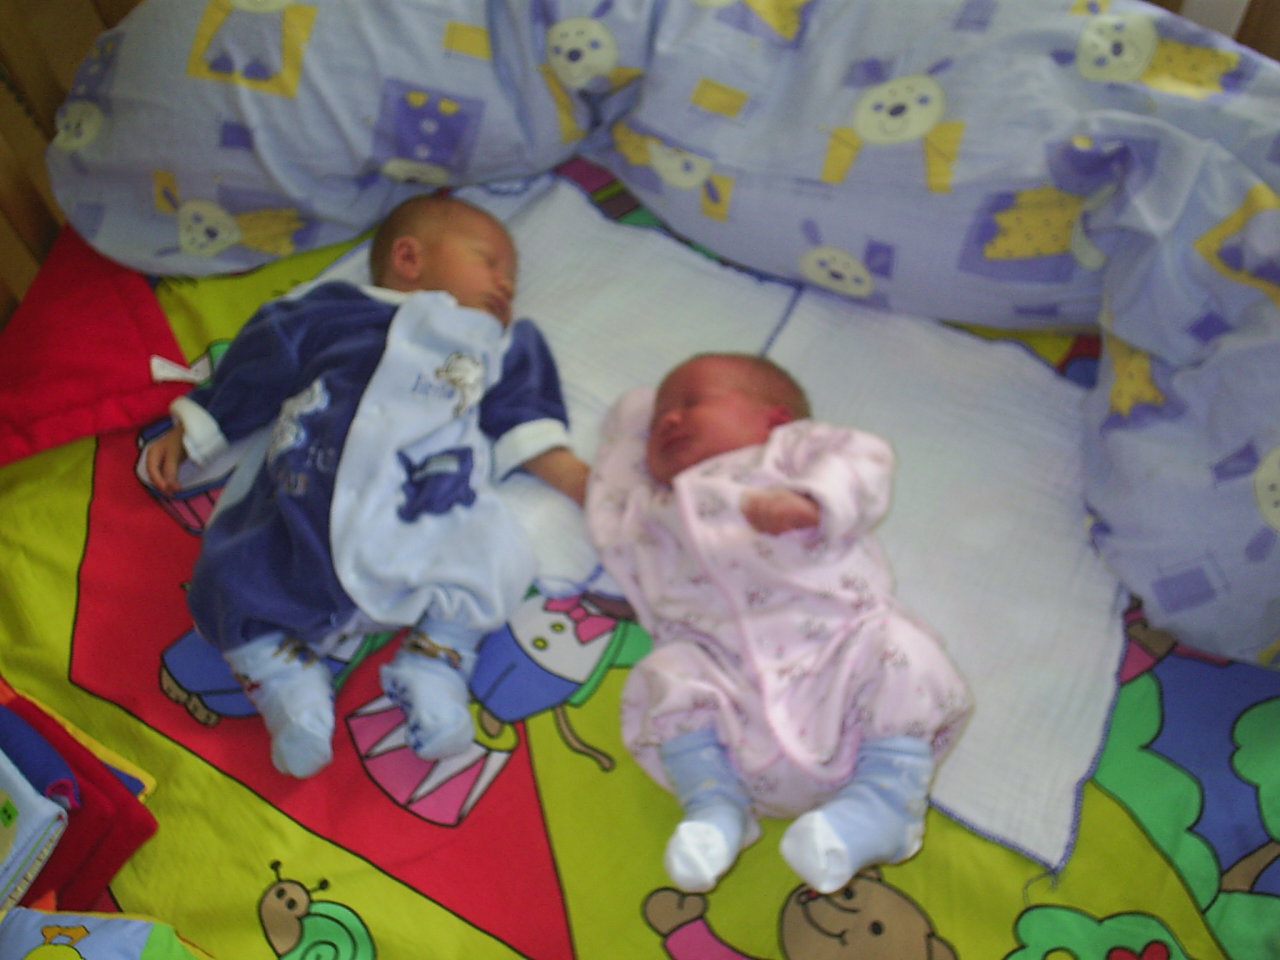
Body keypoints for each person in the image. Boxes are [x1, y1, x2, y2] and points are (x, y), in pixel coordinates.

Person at [145, 193, 589, 778]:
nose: (506, 283)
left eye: (511, 275)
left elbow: (525, 413)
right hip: (311, 490)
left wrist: (576, 478)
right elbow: (260, 361)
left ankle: (436, 660)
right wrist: (199, 426)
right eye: (489, 261)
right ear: (409, 258)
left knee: (502, 550)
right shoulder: (333, 311)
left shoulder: (497, 344)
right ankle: (284, 679)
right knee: (230, 568)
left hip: (426, 509)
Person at [584, 352, 971, 894]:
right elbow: (603, 499)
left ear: (776, 419)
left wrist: (812, 499)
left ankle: (884, 803)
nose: (668, 419)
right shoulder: (651, 510)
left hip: (838, 650)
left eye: (692, 402)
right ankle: (716, 806)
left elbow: (862, 457)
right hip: (727, 685)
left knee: (900, 649)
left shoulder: (789, 456)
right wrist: (631, 427)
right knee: (666, 675)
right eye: (659, 419)